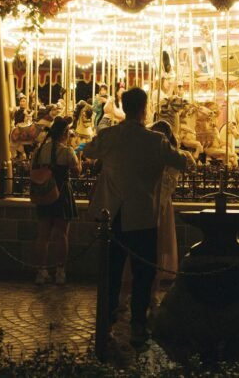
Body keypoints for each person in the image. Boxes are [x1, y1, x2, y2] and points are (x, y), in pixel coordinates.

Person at [86, 87, 192, 347]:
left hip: (113, 214)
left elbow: (89, 150)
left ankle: (107, 320)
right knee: (143, 272)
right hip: (143, 215)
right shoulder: (155, 141)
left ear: (124, 105)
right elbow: (183, 162)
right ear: (144, 109)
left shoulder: (109, 135)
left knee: (111, 270)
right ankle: (138, 322)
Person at [34, 117, 80, 285]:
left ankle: (41, 271)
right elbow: (77, 171)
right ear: (65, 133)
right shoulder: (66, 151)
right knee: (61, 234)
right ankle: (60, 271)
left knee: (43, 235)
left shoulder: (40, 150)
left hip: (44, 192)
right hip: (61, 193)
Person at [149, 121, 191, 292]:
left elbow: (170, 181)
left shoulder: (173, 158)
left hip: (161, 204)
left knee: (159, 247)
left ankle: (153, 289)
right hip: (148, 201)